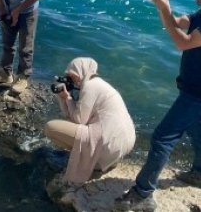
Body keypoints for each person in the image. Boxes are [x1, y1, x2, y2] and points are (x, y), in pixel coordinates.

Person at [115, 0, 201, 211]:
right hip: (197, 88)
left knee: (163, 137)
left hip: (200, 92)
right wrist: (162, 5)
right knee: (197, 129)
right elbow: (179, 23)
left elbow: (183, 43)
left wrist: (164, 9)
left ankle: (143, 193)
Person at [44, 57, 136, 185]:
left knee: (50, 128)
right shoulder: (101, 85)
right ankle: (101, 161)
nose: (73, 80)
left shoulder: (90, 86)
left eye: (73, 75)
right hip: (122, 145)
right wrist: (63, 99)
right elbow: (74, 117)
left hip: (108, 144)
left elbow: (78, 121)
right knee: (76, 131)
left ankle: (92, 160)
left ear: (82, 72)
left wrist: (68, 98)